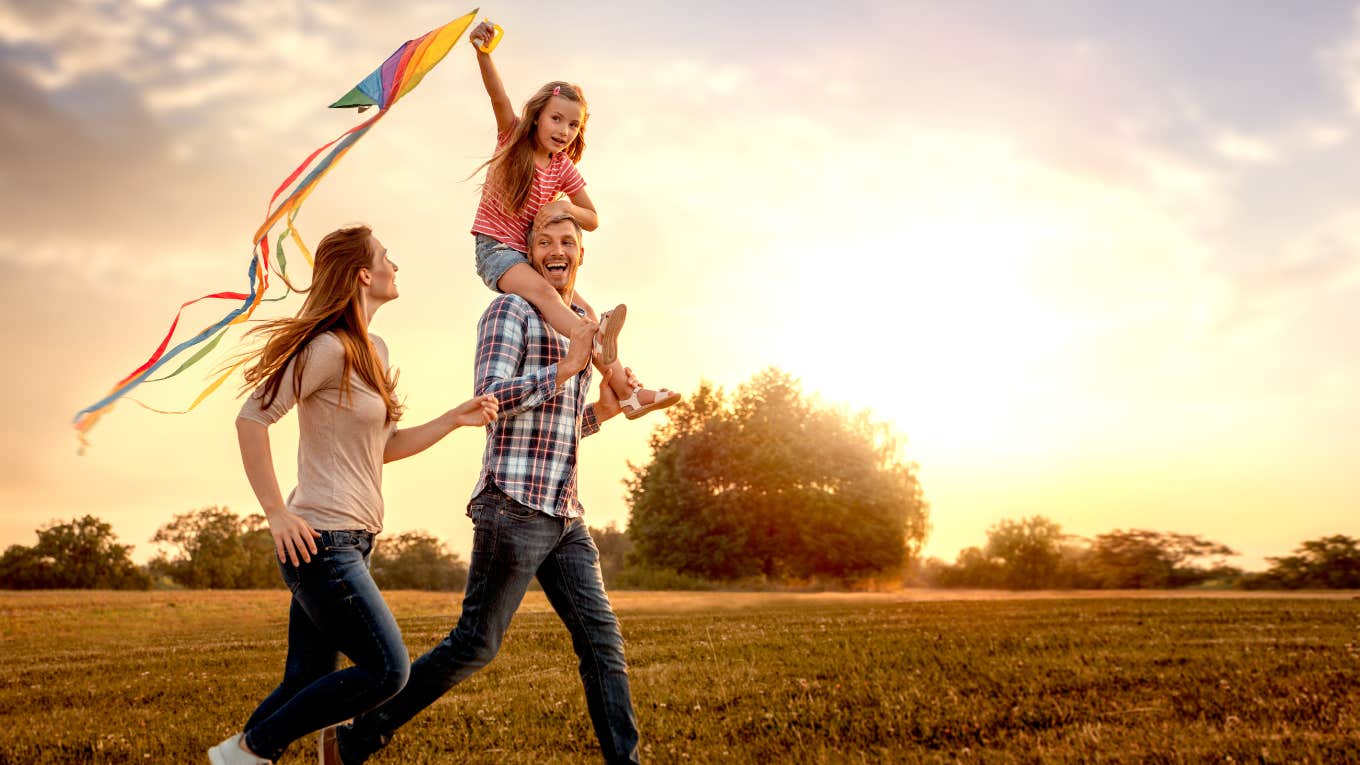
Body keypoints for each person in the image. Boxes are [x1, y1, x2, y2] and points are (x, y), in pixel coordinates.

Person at [327, 212, 641, 764]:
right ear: (528, 256)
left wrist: (604, 413)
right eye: (543, 241)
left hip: (565, 513)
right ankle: (361, 733)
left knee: (603, 643)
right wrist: (566, 369)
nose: (556, 248)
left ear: (581, 254)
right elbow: (490, 399)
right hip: (512, 509)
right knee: (476, 643)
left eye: (567, 241)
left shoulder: (582, 319)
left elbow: (560, 429)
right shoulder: (509, 310)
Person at [207, 225, 499, 765]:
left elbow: (381, 448)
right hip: (320, 541)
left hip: (354, 541)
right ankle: (249, 750)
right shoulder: (327, 348)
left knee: (305, 682)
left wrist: (453, 419)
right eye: (387, 256)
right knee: (389, 670)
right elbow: (253, 418)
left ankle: (241, 758)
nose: (395, 264)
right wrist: (276, 513)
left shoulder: (374, 351)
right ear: (365, 273)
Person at [465, 18, 679, 422]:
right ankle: (591, 338)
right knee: (550, 300)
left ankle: (629, 394)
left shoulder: (562, 167)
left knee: (585, 310)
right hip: (496, 251)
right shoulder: (513, 140)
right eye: (556, 119)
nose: (563, 130)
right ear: (537, 117)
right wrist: (484, 54)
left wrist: (566, 208)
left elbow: (592, 217)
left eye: (573, 124)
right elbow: (498, 97)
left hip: (527, 257)